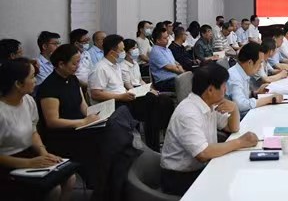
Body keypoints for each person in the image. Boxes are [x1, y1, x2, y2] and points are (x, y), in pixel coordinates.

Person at [160, 64, 259, 196]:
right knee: (235, 186)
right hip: (179, 177)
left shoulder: (208, 103)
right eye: (224, 86)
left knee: (240, 177)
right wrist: (240, 142)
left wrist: (234, 109)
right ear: (210, 90)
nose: (226, 89)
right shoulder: (188, 113)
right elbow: (203, 153)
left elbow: (232, 127)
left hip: (199, 168)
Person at [0, 59, 76, 201]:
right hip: (8, 163)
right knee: (53, 189)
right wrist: (29, 163)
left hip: (29, 154)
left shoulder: (28, 100)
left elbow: (33, 131)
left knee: (70, 177)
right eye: (32, 77)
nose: (36, 80)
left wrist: (44, 153)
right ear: (18, 84)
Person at [89, 34, 173, 151]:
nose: (124, 52)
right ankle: (152, 145)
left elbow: (121, 86)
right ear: (112, 52)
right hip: (112, 104)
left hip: (124, 99)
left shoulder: (116, 65)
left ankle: (162, 139)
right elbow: (96, 94)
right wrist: (121, 97)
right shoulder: (100, 68)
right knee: (152, 103)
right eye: (122, 50)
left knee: (164, 101)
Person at [36, 44, 104, 186]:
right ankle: (96, 184)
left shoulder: (73, 79)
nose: (78, 66)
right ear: (61, 64)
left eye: (79, 62)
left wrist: (96, 116)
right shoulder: (49, 87)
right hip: (62, 135)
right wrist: (83, 122)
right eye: (74, 63)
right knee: (97, 143)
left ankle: (105, 181)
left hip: (80, 127)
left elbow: (82, 105)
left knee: (108, 130)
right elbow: (52, 121)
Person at [228, 43, 284, 115]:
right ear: (250, 62)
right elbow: (240, 105)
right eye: (260, 63)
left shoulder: (242, 72)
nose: (260, 67)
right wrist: (269, 99)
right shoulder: (234, 76)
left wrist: (256, 93)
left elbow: (243, 96)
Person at [149, 27, 184, 92]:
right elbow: (169, 67)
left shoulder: (167, 50)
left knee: (192, 80)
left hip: (174, 78)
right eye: (165, 38)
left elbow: (175, 63)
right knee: (186, 84)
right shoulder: (155, 51)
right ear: (158, 40)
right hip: (164, 82)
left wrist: (180, 68)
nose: (167, 39)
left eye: (167, 37)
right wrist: (182, 71)